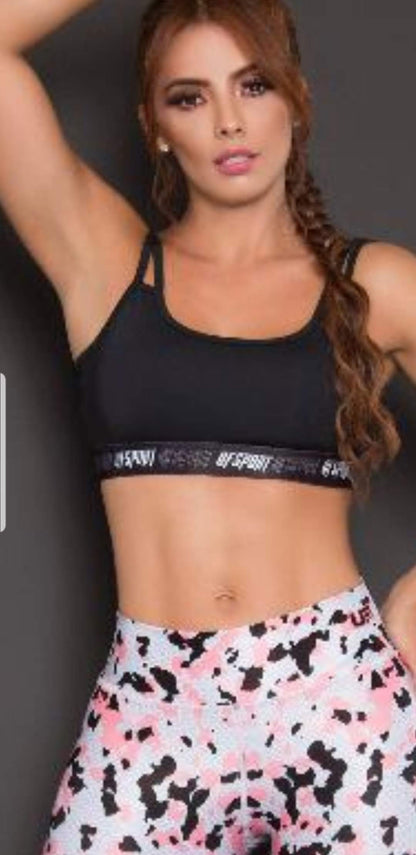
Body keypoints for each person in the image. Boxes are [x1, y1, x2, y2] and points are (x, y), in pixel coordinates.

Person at [1, 1, 416, 852]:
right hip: (152, 702)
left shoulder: (372, 284)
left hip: (337, 697)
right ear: (154, 126)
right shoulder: (105, 264)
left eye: (253, 84)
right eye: (189, 96)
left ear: (297, 97)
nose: (229, 120)